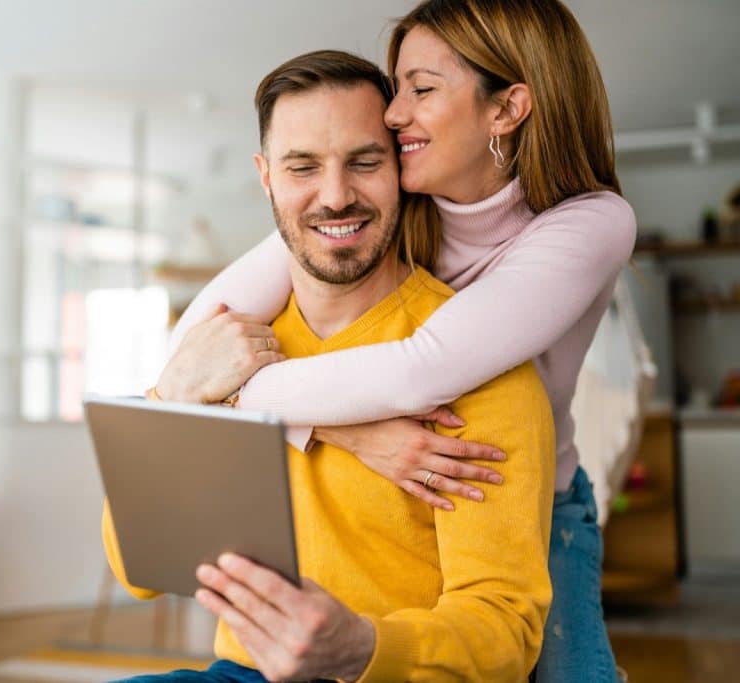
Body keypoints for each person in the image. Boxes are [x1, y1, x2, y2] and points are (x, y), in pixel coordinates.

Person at [160, 2, 636, 681]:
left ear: (508, 108)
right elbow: (197, 336)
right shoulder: (394, 196)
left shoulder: (591, 222)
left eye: (421, 88)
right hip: (411, 465)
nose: (391, 112)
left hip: (527, 492)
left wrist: (234, 392)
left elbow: (423, 370)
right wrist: (344, 432)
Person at [103, 49, 555, 683]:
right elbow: (134, 567)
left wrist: (365, 646)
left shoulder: (479, 366)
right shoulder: (224, 354)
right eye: (302, 167)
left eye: (365, 162)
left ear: (402, 166)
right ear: (266, 176)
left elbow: (506, 632)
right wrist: (173, 394)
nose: (336, 196)